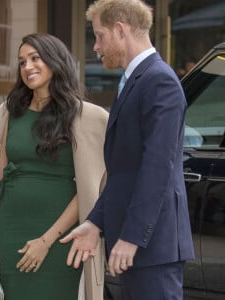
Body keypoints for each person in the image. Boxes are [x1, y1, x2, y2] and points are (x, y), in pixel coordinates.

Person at [0, 33, 108, 300]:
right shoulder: (10, 112)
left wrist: (46, 241)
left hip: (59, 239)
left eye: (35, 58)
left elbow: (87, 191)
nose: (27, 67)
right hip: (9, 232)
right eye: (22, 61)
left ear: (55, 61)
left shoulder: (82, 116)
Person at [60, 1, 195, 299]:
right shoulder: (137, 80)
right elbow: (124, 172)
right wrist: (95, 222)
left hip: (152, 249)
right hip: (136, 248)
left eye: (100, 36)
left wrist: (131, 238)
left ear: (120, 30)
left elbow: (157, 169)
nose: (96, 47)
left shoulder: (159, 81)